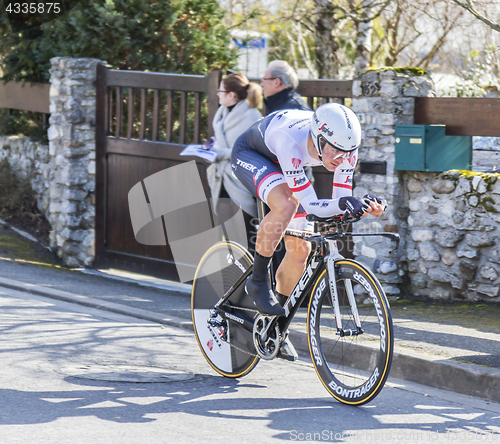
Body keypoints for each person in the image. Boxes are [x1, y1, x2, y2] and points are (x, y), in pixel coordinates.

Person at [231, 103, 386, 358]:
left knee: (301, 250)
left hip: (287, 163)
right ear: (318, 138)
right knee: (287, 204)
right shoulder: (290, 139)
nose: (342, 158)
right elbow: (312, 205)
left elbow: (339, 202)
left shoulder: (346, 150)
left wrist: (363, 205)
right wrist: (344, 204)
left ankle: (274, 327)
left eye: (348, 153)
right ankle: (257, 281)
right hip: (254, 154)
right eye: (335, 150)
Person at [207, 73, 262, 252]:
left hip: (239, 183)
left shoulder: (251, 116)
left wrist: (220, 153)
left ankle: (252, 279)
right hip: (221, 182)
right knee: (229, 241)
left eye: (220, 90)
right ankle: (235, 279)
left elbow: (252, 150)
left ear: (232, 94)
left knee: (245, 241)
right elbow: (225, 142)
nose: (217, 94)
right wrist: (209, 148)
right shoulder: (222, 114)